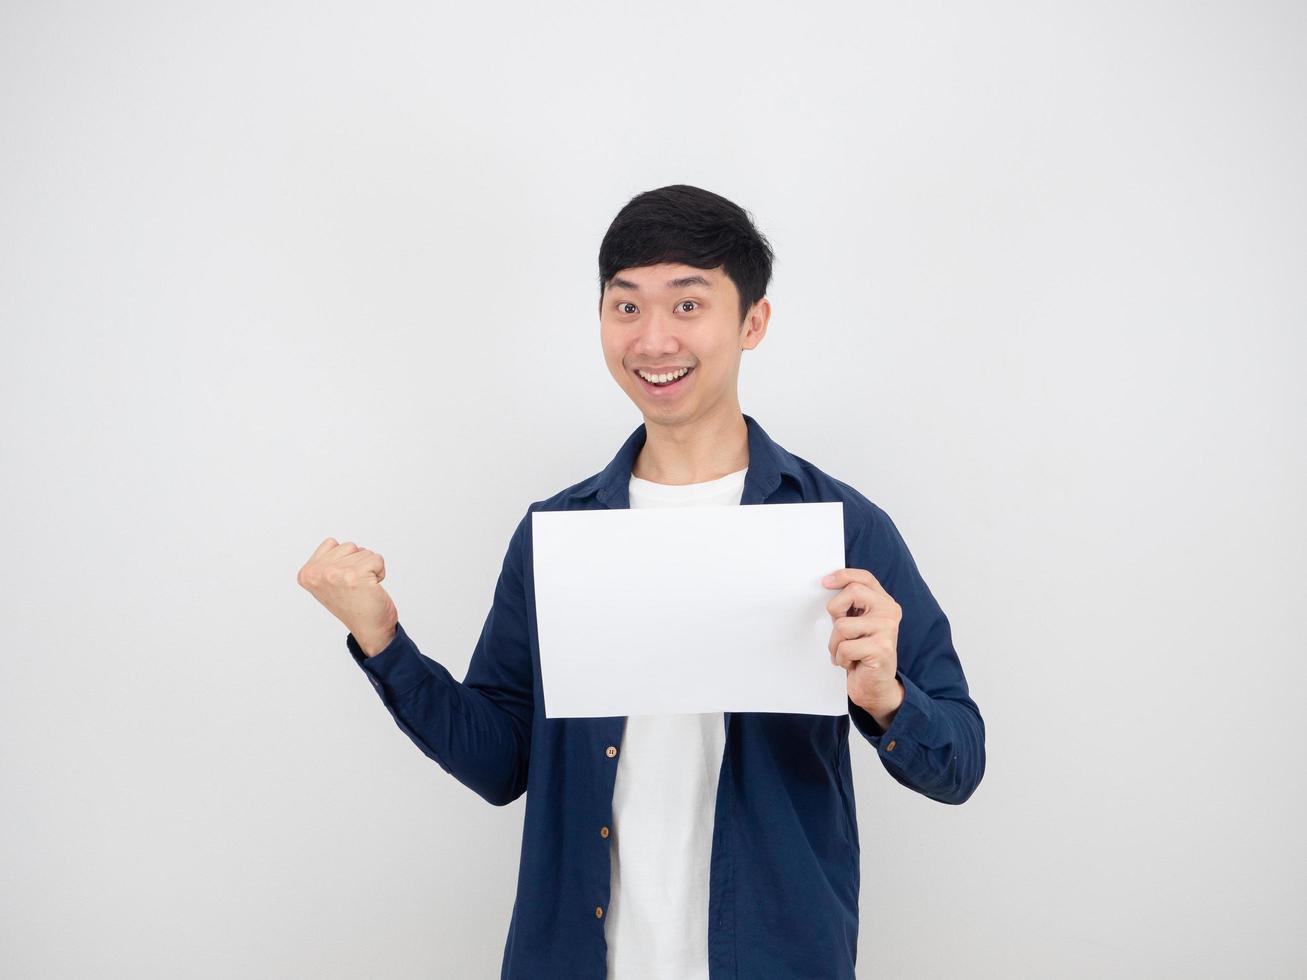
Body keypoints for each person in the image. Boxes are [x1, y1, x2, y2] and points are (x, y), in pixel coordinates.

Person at [297, 184, 986, 979]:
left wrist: (886, 696)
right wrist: (381, 637)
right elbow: (500, 764)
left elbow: (959, 762)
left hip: (774, 958)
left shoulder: (838, 526)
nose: (653, 339)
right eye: (626, 308)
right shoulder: (557, 534)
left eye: (688, 305)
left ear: (751, 322)